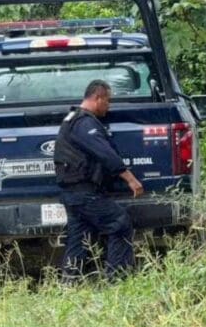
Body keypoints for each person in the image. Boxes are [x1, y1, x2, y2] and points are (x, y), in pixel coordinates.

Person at [54, 79, 144, 283]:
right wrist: (130, 178)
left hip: (74, 193)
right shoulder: (84, 122)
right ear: (97, 98)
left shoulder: (73, 119)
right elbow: (105, 153)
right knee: (119, 222)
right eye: (108, 101)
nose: (109, 106)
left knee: (79, 238)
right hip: (84, 192)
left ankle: (69, 284)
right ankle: (117, 279)